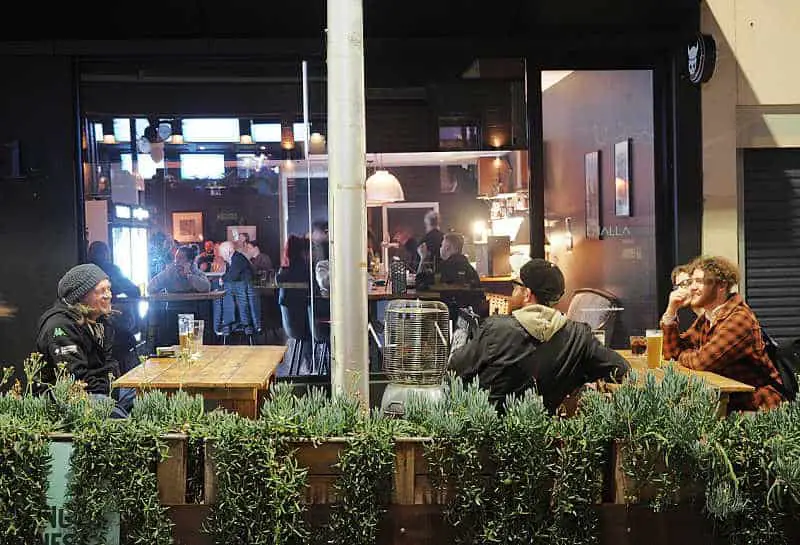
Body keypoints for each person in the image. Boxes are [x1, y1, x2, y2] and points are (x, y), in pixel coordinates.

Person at [448, 258, 629, 413]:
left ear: (527, 294)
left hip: (486, 440)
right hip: (541, 442)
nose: (512, 292)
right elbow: (622, 370)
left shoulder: (495, 328)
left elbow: (454, 370)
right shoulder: (580, 337)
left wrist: (460, 337)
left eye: (515, 286)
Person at [661, 255, 784, 412]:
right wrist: (671, 311)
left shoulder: (739, 318)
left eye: (699, 281)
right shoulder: (708, 317)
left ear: (721, 285)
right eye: (691, 282)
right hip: (728, 401)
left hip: (757, 407)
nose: (691, 288)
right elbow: (671, 352)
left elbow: (701, 362)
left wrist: (684, 355)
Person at [35, 264, 134, 418]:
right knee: (114, 414)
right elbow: (76, 380)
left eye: (109, 289)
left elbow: (108, 366)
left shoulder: (100, 321)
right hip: (68, 398)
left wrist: (116, 386)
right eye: (101, 291)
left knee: (144, 393)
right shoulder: (60, 326)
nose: (108, 295)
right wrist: (111, 389)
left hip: (99, 390)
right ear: (81, 296)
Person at [87, 240, 141, 374]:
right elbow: (133, 290)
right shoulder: (110, 269)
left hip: (85, 321)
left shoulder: (82, 268)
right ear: (106, 254)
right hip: (108, 321)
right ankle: (126, 374)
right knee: (128, 338)